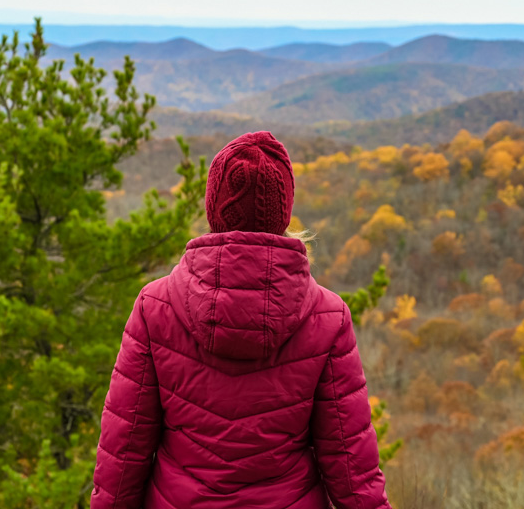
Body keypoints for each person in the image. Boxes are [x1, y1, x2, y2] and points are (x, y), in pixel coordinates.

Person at [90, 131, 391, 508]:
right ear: (282, 212)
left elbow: (124, 449)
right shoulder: (327, 317)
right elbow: (351, 466)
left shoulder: (155, 306)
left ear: (215, 208)